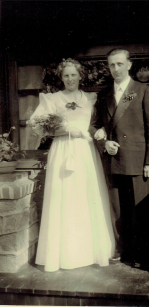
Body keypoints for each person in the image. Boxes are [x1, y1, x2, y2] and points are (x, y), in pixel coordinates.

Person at [30, 58, 115, 272]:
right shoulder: (52, 99)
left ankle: (88, 252)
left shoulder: (90, 98)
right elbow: (39, 127)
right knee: (64, 197)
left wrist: (99, 131)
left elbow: (97, 124)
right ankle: (64, 254)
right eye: (66, 75)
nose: (70, 79)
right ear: (61, 77)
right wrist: (67, 131)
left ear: (80, 76)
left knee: (86, 197)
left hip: (85, 152)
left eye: (73, 75)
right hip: (62, 151)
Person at [89, 48, 149, 267]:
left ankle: (139, 254)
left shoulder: (142, 91)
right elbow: (93, 126)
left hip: (137, 162)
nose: (116, 69)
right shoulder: (104, 95)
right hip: (112, 160)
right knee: (116, 210)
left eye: (120, 64)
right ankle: (121, 250)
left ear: (129, 65)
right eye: (112, 65)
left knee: (138, 210)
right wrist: (103, 142)